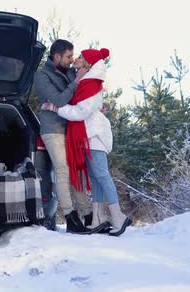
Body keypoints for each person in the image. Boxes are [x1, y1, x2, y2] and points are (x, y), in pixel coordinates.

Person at [42, 48, 132, 236]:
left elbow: (80, 112)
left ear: (88, 64)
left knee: (102, 175)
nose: (77, 58)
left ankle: (118, 217)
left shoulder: (90, 83)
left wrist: (55, 108)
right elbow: (83, 105)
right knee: (97, 179)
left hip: (95, 135)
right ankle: (97, 218)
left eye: (81, 57)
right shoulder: (86, 81)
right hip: (87, 135)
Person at [34, 39, 92, 234]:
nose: (71, 60)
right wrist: (76, 81)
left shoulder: (69, 71)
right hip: (52, 129)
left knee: (76, 170)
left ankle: (89, 215)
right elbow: (59, 100)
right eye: (68, 57)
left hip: (72, 129)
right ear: (56, 56)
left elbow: (78, 95)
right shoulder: (42, 76)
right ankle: (70, 217)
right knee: (63, 170)